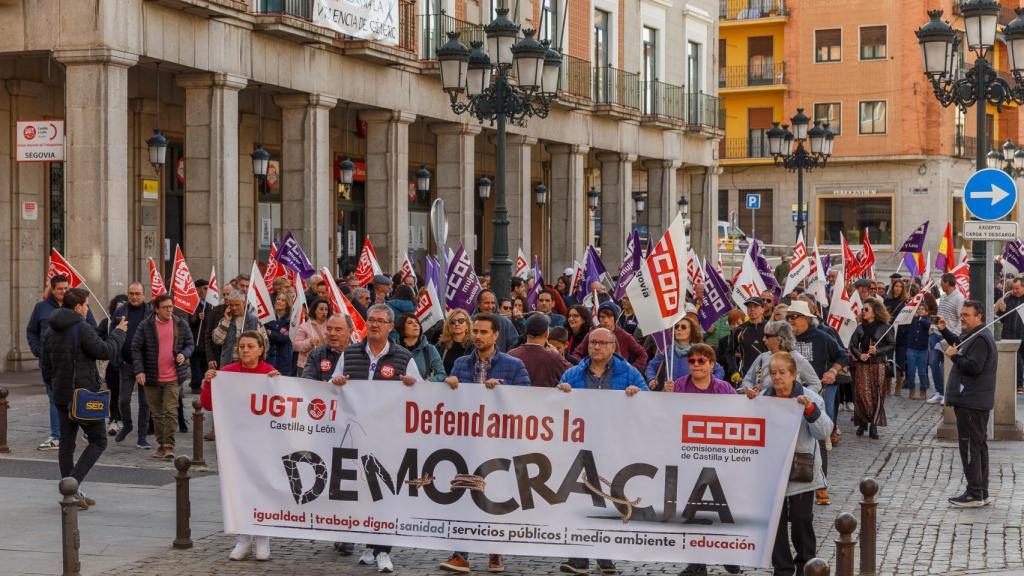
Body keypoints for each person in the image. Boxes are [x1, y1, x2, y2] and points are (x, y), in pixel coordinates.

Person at [330, 304, 420, 573]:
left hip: (388, 436)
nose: (374, 325)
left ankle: (383, 550)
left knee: (385, 491)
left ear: (391, 327)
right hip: (356, 435)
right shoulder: (350, 354)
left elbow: (422, 393)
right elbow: (333, 384)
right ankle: (371, 544)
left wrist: (412, 386)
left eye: (380, 321)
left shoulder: (403, 357)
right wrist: (337, 383)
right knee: (364, 493)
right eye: (370, 320)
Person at [439, 313, 530, 573]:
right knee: (463, 494)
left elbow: (527, 397)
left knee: (495, 495)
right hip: (468, 439)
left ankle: (495, 552)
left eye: (483, 332)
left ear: (496, 335)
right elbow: (451, 401)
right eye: (475, 331)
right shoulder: (460, 364)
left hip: (499, 440)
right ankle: (460, 554)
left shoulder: (513, 366)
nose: (477, 336)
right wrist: (449, 383)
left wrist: (502, 388)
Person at [556, 327, 647, 575]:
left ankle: (605, 556)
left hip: (614, 445)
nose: (596, 346)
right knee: (580, 500)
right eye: (592, 342)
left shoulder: (629, 373)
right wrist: (561, 392)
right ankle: (579, 557)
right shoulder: (573, 373)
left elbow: (649, 402)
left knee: (608, 500)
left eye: (601, 342)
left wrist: (637, 395)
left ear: (613, 346)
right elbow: (555, 405)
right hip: (580, 446)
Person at [40, 288, 126, 509]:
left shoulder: (51, 329)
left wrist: (54, 386)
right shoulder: (81, 327)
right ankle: (71, 485)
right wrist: (119, 332)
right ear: (77, 307)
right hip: (82, 396)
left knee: (67, 443)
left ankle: (72, 493)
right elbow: (105, 351)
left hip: (61, 395)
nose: (88, 308)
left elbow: (45, 366)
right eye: (86, 305)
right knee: (99, 440)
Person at [200, 330, 280, 560]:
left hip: (263, 442)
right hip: (235, 442)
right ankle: (243, 540)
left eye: (250, 346)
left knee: (263, 489)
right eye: (242, 346)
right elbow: (208, 404)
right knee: (238, 490)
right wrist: (208, 382)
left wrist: (279, 385)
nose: (245, 350)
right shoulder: (228, 373)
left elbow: (282, 404)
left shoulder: (269, 373)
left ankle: (263, 539)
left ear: (260, 349)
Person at [754, 352, 831, 576]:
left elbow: (824, 431)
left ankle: (805, 563)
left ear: (794, 375)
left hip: (801, 470)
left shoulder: (810, 398)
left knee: (801, 519)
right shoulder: (763, 399)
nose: (777, 377)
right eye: (773, 373)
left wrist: (809, 410)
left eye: (782, 373)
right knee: (775, 524)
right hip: (772, 471)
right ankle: (783, 568)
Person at [670, 344, 742, 576]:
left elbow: (738, 418)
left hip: (719, 456)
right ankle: (697, 563)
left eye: (702, 361)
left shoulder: (724, 389)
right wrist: (665, 397)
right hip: (688, 457)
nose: (697, 365)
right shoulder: (679, 386)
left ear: (712, 364)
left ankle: (728, 553)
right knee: (693, 511)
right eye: (692, 361)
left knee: (721, 508)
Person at [937, 301, 997, 508]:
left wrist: (955, 357)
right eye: (961, 314)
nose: (962, 317)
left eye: (966, 315)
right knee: (978, 446)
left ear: (979, 317)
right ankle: (981, 491)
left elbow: (973, 366)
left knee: (971, 447)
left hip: (972, 402)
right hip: (973, 401)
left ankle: (974, 493)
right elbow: (960, 344)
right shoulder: (974, 336)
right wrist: (944, 331)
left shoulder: (980, 338)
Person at [786, 300, 844, 505]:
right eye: (788, 317)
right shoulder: (786, 340)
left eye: (794, 317)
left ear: (806, 319)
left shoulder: (822, 337)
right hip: (786, 396)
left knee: (818, 437)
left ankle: (821, 485)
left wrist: (832, 371)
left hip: (813, 394)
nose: (790, 321)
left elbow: (842, 355)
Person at [29, 275, 95, 451]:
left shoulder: (81, 308)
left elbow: (93, 330)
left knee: (80, 397)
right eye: (60, 289)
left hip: (77, 365)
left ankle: (86, 429)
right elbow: (31, 331)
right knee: (55, 399)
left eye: (66, 288)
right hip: (51, 363)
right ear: (52, 289)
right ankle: (57, 436)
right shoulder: (41, 308)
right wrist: (38, 350)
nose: (63, 292)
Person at [130, 293, 195, 459]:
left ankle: (168, 446)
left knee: (170, 411)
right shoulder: (146, 325)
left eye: (171, 307)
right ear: (156, 309)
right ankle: (161, 444)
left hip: (173, 376)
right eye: (165, 307)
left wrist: (184, 354)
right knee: (157, 413)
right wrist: (139, 370)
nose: (169, 310)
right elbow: (136, 348)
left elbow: (190, 343)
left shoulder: (180, 323)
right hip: (152, 376)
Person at [114, 282, 154, 448]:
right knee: (123, 400)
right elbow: (113, 333)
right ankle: (128, 425)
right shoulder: (120, 311)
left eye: (138, 293)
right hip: (126, 363)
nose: (134, 297)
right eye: (131, 293)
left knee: (145, 402)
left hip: (145, 365)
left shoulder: (150, 313)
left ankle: (142, 436)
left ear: (144, 295)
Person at [849, 298, 894, 440]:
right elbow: (853, 345)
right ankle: (862, 422)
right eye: (863, 309)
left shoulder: (885, 327)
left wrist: (878, 351)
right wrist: (859, 354)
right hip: (862, 366)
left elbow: (892, 344)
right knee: (862, 395)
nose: (863, 311)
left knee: (877, 395)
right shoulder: (860, 327)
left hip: (878, 365)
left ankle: (873, 425)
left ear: (875, 312)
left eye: (866, 309)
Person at [741, 320, 821, 395]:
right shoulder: (762, 357)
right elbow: (748, 380)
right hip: (763, 405)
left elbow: (815, 384)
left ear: (779, 339)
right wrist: (751, 389)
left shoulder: (796, 359)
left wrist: (800, 397)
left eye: (767, 336)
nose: (763, 339)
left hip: (788, 407)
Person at [645, 316, 724, 390]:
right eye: (676, 327)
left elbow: (719, 370)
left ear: (691, 332)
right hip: (670, 394)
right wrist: (652, 379)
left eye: (683, 327)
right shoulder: (667, 350)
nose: (679, 329)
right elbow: (651, 366)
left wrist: (710, 385)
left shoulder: (699, 351)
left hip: (691, 394)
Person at [573, 301, 648, 372]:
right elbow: (576, 353)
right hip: (594, 376)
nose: (606, 320)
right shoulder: (592, 333)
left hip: (617, 377)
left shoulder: (624, 335)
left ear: (615, 318)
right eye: (602, 317)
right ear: (598, 318)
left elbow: (643, 354)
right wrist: (584, 367)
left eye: (609, 316)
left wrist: (631, 371)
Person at [928, 273, 963, 405]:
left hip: (948, 338)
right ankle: (939, 392)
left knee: (944, 366)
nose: (940, 284)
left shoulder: (959, 298)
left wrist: (952, 337)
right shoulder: (942, 297)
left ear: (947, 282)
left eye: (941, 282)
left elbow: (961, 320)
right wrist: (932, 326)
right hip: (936, 335)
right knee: (932, 363)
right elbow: (939, 315)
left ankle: (947, 393)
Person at [508, 314, 572, 387]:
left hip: (516, 398)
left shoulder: (511, 355)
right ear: (546, 333)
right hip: (545, 398)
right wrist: (558, 355)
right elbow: (575, 374)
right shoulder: (553, 357)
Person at [97, 294, 129, 435]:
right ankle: (113, 418)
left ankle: (122, 418)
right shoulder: (107, 322)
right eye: (119, 307)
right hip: (112, 363)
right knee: (114, 393)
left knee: (124, 395)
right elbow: (98, 338)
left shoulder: (130, 323)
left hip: (126, 363)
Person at [211, 287, 266, 369]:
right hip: (229, 364)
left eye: (237, 305)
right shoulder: (224, 320)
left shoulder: (255, 321)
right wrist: (226, 322)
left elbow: (265, 344)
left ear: (244, 303)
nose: (234, 308)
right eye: (231, 305)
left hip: (250, 364)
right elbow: (217, 340)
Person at [301, 315, 352, 382]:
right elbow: (306, 380)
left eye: (338, 330)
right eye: (329, 329)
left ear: (350, 332)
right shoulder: (316, 354)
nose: (332, 333)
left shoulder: (360, 355)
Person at [396, 313, 446, 381]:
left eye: (417, 322)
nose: (415, 325)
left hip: (422, 390)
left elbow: (442, 374)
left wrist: (428, 382)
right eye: (410, 323)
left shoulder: (430, 349)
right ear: (401, 327)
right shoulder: (393, 349)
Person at [995, 277, 1024, 394]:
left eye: (1017, 288)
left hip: (1023, 335)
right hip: (1009, 335)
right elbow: (1000, 319)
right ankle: (1018, 385)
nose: (1015, 291)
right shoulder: (1007, 298)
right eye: (1013, 288)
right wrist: (1001, 310)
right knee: (1016, 361)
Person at [733, 296, 768, 376]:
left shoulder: (770, 327)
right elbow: (730, 352)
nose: (752, 309)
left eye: (755, 306)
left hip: (767, 374)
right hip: (746, 374)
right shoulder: (740, 329)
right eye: (749, 307)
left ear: (763, 310)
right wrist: (734, 370)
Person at [904, 302, 932, 400]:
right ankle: (911, 389)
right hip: (911, 348)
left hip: (922, 350)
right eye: (918, 309)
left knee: (922, 372)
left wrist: (921, 318)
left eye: (922, 309)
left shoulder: (927, 321)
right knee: (911, 370)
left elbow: (927, 325)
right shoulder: (913, 319)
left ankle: (923, 390)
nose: (920, 310)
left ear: (926, 312)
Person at [294, 299, 331, 371]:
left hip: (326, 364)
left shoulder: (331, 326)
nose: (324, 312)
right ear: (315, 310)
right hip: (307, 365)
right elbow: (295, 346)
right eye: (321, 309)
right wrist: (309, 342)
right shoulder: (304, 326)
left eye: (326, 309)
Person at [266, 290, 295, 376]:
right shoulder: (268, 318)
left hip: (284, 359)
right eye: (278, 299)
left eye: (283, 300)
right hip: (269, 356)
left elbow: (285, 338)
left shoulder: (291, 321)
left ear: (287, 304)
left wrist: (270, 333)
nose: (279, 301)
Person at [437, 308, 473, 375]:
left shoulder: (473, 346)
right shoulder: (441, 345)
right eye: (453, 321)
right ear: (449, 325)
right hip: (444, 383)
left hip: (467, 384)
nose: (456, 324)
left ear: (467, 325)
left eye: (461, 321)